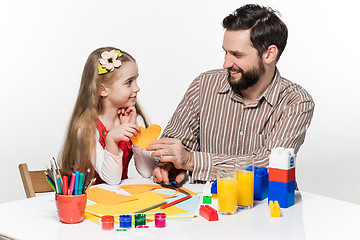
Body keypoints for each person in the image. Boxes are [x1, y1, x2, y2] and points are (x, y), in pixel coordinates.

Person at [147, 4, 315, 184]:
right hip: (207, 205)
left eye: (237, 55)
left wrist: (190, 161)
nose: (226, 63)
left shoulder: (296, 102)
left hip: (267, 208)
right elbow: (174, 145)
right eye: (225, 52)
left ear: (269, 54)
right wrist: (169, 164)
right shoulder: (203, 85)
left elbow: (269, 165)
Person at [59, 47, 155, 184]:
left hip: (118, 200)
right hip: (89, 201)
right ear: (103, 90)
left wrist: (136, 139)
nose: (137, 88)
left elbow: (147, 171)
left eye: (136, 80)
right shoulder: (86, 127)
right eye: (129, 82)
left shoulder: (133, 119)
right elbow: (113, 179)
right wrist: (111, 140)